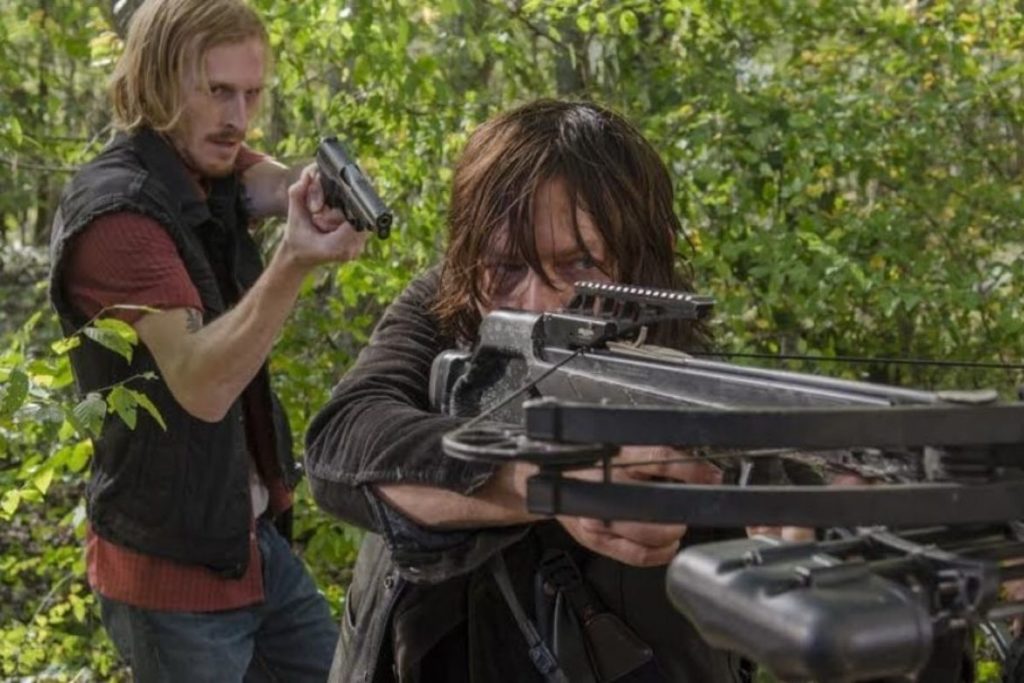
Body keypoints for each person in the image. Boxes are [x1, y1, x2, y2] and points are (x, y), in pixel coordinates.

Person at [305, 100, 746, 682]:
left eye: (579, 264)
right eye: (508, 267)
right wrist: (543, 480)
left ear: (642, 255)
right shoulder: (449, 301)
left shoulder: (685, 375)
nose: (537, 303)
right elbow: (342, 441)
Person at [47, 0, 367, 680]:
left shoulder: (201, 162)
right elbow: (202, 385)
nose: (238, 118)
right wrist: (295, 260)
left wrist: (317, 191)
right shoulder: (118, 216)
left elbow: (264, 178)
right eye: (218, 90)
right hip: (170, 578)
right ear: (158, 81)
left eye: (252, 93)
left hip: (250, 544)